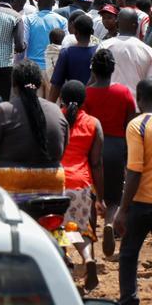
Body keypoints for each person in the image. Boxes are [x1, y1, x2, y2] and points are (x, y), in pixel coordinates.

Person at [0, 59, 68, 201]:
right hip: (52, 187)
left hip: (6, 192)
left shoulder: (3, 111)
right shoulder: (56, 111)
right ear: (39, 84)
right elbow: (61, 152)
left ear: (14, 85)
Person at [85, 48, 136, 258]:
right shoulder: (123, 92)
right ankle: (109, 223)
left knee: (91, 197)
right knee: (114, 197)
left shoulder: (86, 93)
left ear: (93, 70)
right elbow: (131, 122)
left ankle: (92, 247)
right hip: (116, 147)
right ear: (113, 69)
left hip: (92, 149)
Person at [59, 80, 105, 290]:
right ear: (84, 100)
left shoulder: (55, 118)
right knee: (80, 228)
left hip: (57, 181)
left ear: (61, 98)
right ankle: (87, 258)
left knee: (59, 228)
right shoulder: (94, 123)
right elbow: (96, 163)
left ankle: (66, 268)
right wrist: (100, 197)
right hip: (81, 183)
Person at [115, 79, 152, 305]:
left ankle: (129, 300)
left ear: (138, 99)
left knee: (128, 253)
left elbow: (134, 170)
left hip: (142, 202)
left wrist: (122, 209)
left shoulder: (137, 125)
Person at [100, 7, 152, 97]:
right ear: (136, 25)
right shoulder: (147, 51)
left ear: (117, 23)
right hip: (137, 106)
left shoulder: (104, 46)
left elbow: (96, 78)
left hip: (109, 103)